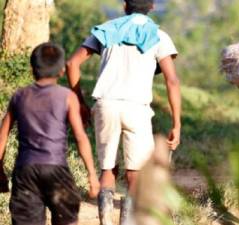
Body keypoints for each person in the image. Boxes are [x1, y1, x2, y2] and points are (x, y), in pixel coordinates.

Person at [66, 0, 181, 224]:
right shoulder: (159, 36)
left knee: (107, 169)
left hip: (105, 104)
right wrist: (177, 123)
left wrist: (79, 101)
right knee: (135, 174)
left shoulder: (106, 29)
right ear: (152, 7)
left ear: (125, 6)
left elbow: (72, 64)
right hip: (137, 108)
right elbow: (172, 81)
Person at [0, 42, 100, 225]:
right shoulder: (67, 96)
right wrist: (92, 174)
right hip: (56, 169)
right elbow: (80, 137)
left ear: (32, 69)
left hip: (26, 171)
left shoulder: (19, 96)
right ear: (62, 70)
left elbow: (3, 135)